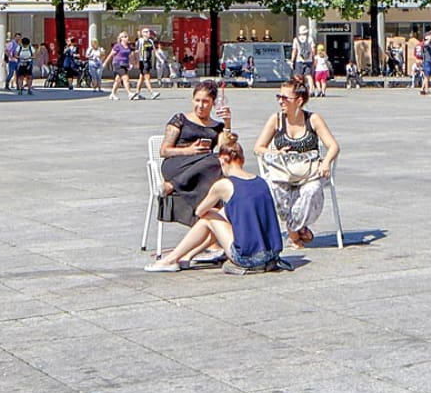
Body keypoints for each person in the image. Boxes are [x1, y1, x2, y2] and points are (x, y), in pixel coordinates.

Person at [145, 135, 289, 274]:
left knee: (209, 216)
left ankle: (170, 260)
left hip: (248, 258)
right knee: (220, 215)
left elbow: (199, 212)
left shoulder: (224, 185)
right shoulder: (260, 181)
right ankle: (186, 256)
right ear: (242, 160)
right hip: (272, 255)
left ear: (222, 161)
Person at [254, 76, 339, 250]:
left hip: (310, 173)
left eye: (285, 98)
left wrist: (326, 162)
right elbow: (258, 148)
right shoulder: (276, 120)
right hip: (283, 172)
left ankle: (293, 230)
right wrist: (275, 152)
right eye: (279, 97)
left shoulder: (313, 119)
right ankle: (298, 229)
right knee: (271, 188)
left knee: (311, 191)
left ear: (299, 101)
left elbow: (333, 146)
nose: (280, 101)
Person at [158, 79, 233, 228]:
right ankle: (210, 230)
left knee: (217, 161)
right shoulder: (180, 119)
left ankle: (207, 227)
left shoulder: (217, 126)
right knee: (214, 162)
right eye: (197, 100)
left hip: (202, 171)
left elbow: (226, 148)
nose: (200, 105)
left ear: (213, 103)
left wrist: (227, 123)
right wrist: (188, 150)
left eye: (205, 101)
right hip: (177, 164)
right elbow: (164, 151)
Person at [102, 32, 134, 100]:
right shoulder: (117, 46)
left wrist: (130, 63)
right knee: (125, 78)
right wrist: (105, 63)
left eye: (127, 36)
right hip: (118, 64)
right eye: (124, 37)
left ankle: (112, 94)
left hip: (125, 64)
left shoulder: (128, 46)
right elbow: (111, 55)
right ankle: (129, 93)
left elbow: (129, 56)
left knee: (118, 80)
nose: (126, 38)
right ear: (121, 38)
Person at [131, 27, 160, 101]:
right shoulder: (140, 41)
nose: (148, 33)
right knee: (147, 77)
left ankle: (137, 93)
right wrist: (135, 62)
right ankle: (152, 92)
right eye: (146, 32)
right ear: (142, 33)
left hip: (148, 61)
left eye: (148, 31)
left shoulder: (150, 41)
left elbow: (154, 51)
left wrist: (160, 59)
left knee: (141, 78)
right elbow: (136, 52)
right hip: (142, 61)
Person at [290, 24, 315, 92]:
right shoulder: (310, 39)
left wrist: (292, 61)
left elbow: (294, 51)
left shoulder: (296, 39)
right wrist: (313, 59)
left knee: (298, 76)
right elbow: (313, 50)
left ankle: (298, 88)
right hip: (308, 60)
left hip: (299, 60)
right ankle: (311, 90)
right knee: (309, 76)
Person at [419, 31, 431, 96]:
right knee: (426, 77)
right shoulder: (425, 42)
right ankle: (427, 90)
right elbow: (425, 44)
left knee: (428, 77)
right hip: (426, 61)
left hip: (430, 61)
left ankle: (422, 89)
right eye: (429, 35)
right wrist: (428, 39)